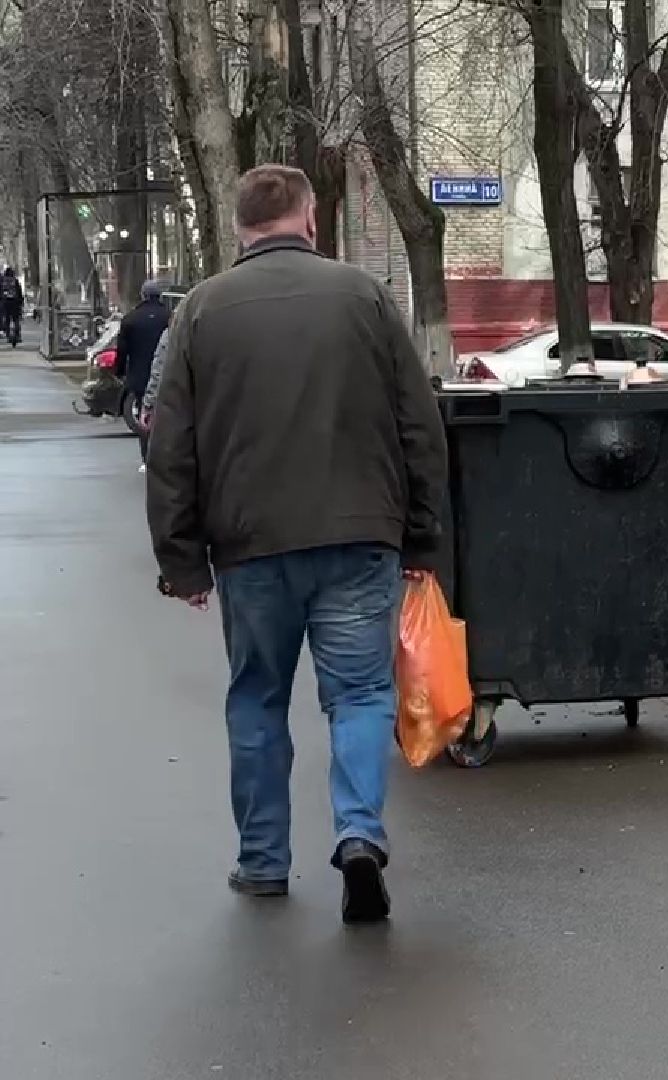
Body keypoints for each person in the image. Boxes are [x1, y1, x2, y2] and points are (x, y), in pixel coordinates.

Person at [146, 164, 448, 925]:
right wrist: (422, 535)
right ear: (309, 218)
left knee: (257, 699)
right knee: (361, 694)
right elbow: (419, 424)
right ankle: (357, 835)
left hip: (250, 548)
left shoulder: (203, 312)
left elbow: (171, 444)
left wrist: (180, 559)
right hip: (359, 537)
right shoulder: (364, 296)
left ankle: (263, 863)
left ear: (240, 224)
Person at [115, 280, 171, 466]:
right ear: (160, 296)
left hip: (140, 376)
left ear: (143, 295)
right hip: (168, 373)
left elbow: (122, 350)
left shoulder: (131, 319)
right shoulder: (170, 317)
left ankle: (147, 457)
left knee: (144, 415)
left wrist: (120, 372)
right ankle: (166, 454)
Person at [0, 266, 23, 346]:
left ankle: (8, 335)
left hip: (5, 302)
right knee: (16, 319)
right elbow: (19, 292)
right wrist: (21, 302)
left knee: (7, 319)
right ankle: (17, 335)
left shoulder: (2, 281)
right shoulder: (15, 281)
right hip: (15, 302)